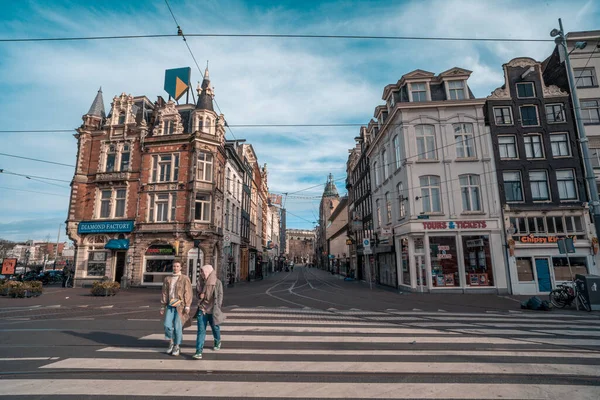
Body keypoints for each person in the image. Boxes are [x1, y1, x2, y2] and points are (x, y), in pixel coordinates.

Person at [193, 264, 226, 360]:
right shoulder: (200, 282)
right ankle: (198, 351)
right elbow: (197, 295)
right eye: (201, 271)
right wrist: (200, 296)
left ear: (208, 271)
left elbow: (220, 295)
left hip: (213, 309)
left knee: (215, 327)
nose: (202, 273)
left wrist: (218, 306)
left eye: (203, 271)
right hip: (202, 309)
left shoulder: (217, 282)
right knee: (201, 331)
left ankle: (217, 340)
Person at [160, 262, 192, 357]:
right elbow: (164, 292)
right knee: (167, 325)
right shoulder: (167, 279)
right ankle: (171, 342)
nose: (175, 268)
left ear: (181, 267)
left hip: (180, 305)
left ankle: (177, 345)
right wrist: (162, 306)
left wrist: (187, 305)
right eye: (174, 266)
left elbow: (188, 292)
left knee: (178, 327)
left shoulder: (184, 279)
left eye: (177, 266)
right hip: (170, 304)